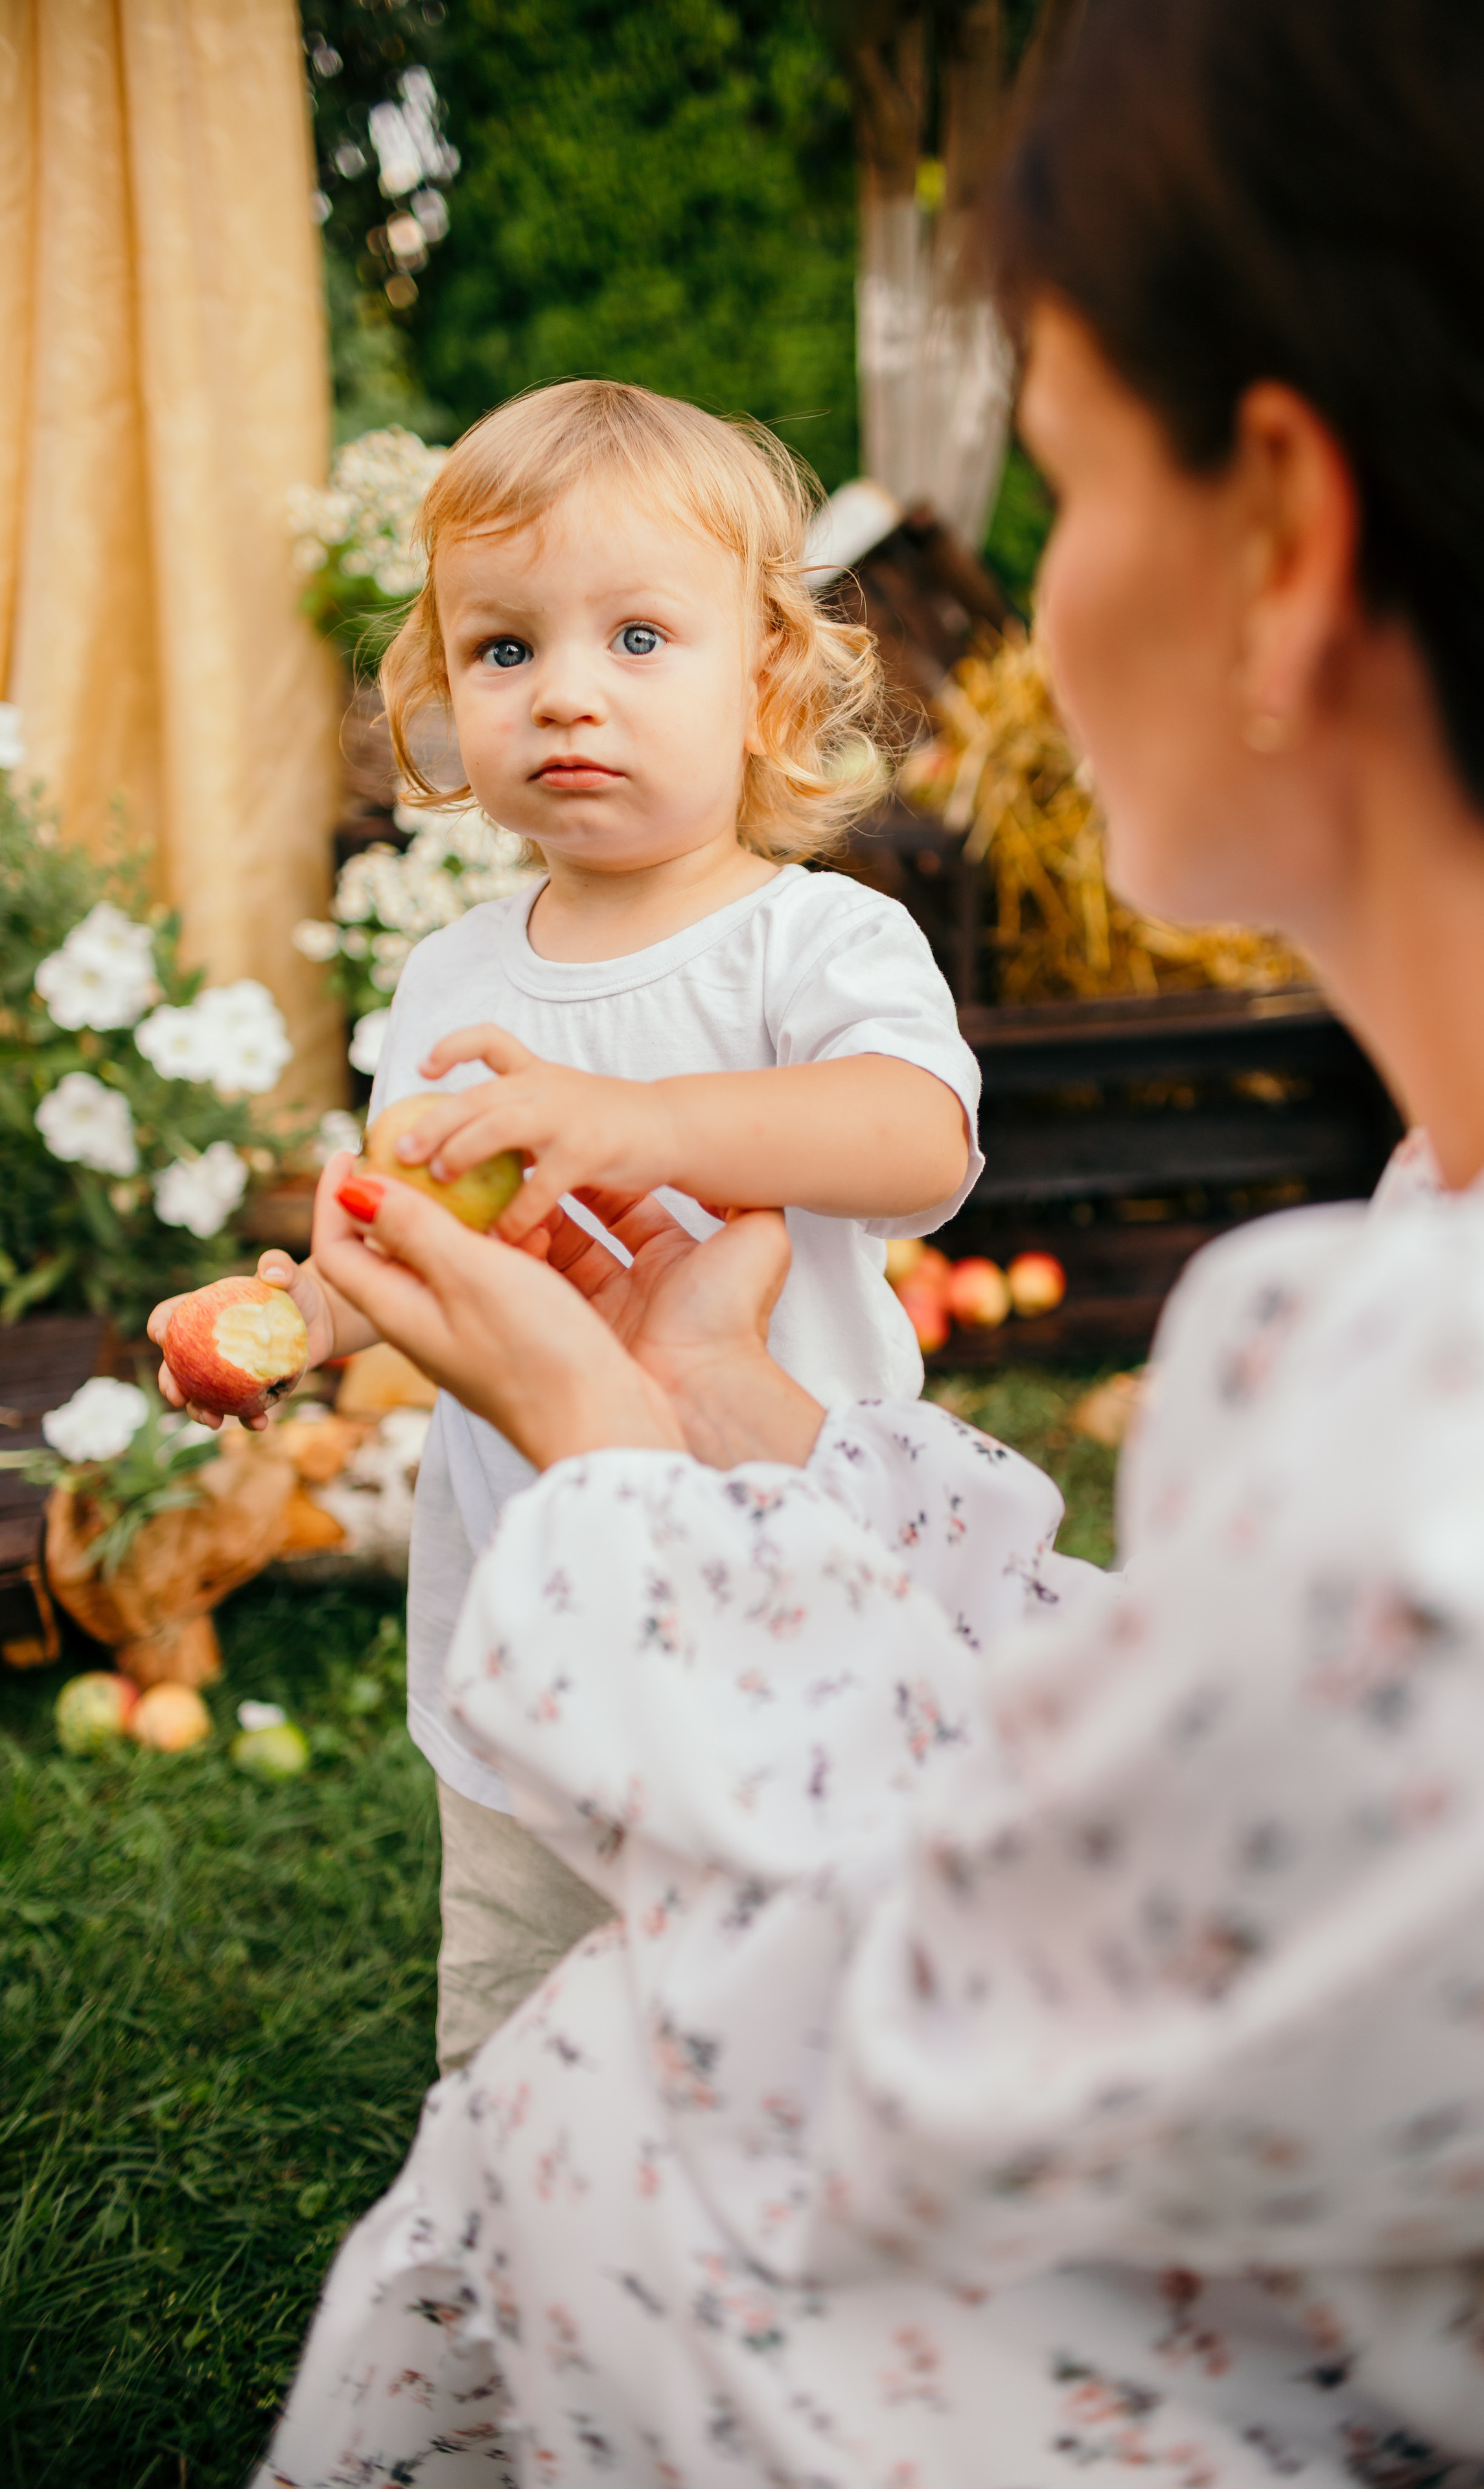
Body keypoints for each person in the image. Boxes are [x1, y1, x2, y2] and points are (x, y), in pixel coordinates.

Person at [258, 0, 1484, 2479]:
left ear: (1285, 542)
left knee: (590, 2072)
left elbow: (923, 2062)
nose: (1010, 615)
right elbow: (1186, 1819)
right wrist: (721, 1401)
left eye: (1065, 484)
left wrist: (619, 1463)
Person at [151, 381, 982, 2074]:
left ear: (766, 679)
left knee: (791, 1991)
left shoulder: (812, 944)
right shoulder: (452, 974)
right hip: (525, 1606)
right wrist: (307, 1318)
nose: (566, 693)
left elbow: (919, 1144)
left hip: (774, 1588)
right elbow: (409, 1236)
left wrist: (648, 1125)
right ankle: (528, 2194)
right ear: (443, 692)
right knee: (532, 2002)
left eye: (639, 637)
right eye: (505, 648)